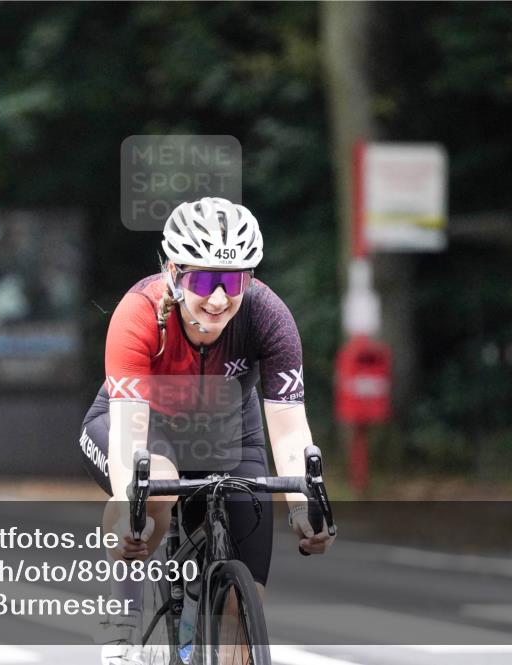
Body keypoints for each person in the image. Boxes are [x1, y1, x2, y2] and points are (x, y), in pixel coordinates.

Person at [78, 197, 335, 665]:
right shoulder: (139, 313)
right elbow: (129, 440)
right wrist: (132, 512)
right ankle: (122, 620)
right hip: (140, 427)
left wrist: (304, 506)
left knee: (244, 611)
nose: (218, 298)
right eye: (202, 280)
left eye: (232, 281)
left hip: (230, 434)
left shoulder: (268, 316)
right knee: (151, 493)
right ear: (174, 272)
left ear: (249, 280)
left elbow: (289, 427)